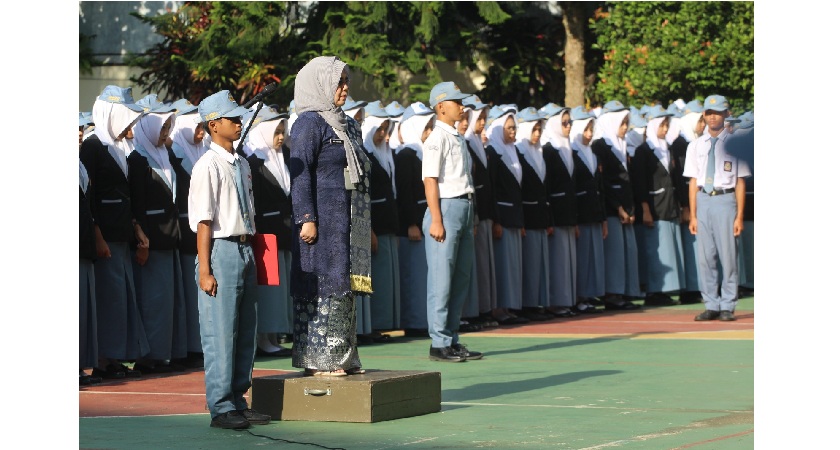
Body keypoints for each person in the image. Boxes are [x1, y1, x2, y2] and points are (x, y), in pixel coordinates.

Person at [188, 89, 272, 429]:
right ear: (213, 124)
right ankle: (221, 406)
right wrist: (205, 268)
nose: (239, 122)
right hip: (221, 249)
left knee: (245, 330)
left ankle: (239, 399)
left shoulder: (242, 163)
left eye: (239, 117)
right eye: (232, 118)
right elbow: (204, 220)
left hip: (245, 247)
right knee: (220, 332)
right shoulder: (207, 165)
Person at [289, 56, 372, 376]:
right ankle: (320, 360)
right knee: (323, 284)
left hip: (349, 218)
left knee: (345, 284)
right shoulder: (309, 124)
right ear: (320, 85)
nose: (345, 88)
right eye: (339, 82)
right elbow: (300, 174)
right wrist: (306, 217)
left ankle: (343, 354)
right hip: (322, 219)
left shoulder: (347, 123)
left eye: (346, 81)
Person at [80, 85, 150, 380]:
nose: (130, 126)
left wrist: (136, 227)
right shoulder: (94, 146)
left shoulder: (120, 148)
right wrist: (97, 235)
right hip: (105, 237)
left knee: (121, 298)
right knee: (108, 300)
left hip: (121, 234)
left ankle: (114, 356)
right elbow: (90, 197)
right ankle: (101, 358)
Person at [128, 95, 189, 373]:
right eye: (161, 128)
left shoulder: (165, 156)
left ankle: (166, 353)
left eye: (167, 129)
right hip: (152, 241)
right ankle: (148, 357)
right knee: (152, 301)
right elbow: (137, 202)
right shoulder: (138, 158)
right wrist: (140, 236)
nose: (165, 134)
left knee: (169, 302)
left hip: (169, 238)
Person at [422, 81, 482, 362]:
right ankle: (439, 342)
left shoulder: (457, 137)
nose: (461, 107)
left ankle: (452, 337)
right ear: (441, 106)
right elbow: (430, 181)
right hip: (445, 209)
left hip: (463, 207)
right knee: (441, 280)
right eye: (457, 102)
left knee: (460, 278)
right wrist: (436, 219)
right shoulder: (437, 138)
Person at [683, 95, 752, 321]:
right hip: (704, 199)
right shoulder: (695, 145)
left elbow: (740, 181)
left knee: (728, 255)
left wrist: (739, 216)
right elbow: (693, 181)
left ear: (726, 114)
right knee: (705, 256)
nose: (713, 117)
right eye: (709, 113)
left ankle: (727, 304)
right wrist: (693, 215)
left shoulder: (734, 144)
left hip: (725, 199)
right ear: (704, 115)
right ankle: (711, 303)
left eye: (718, 113)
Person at [244, 105, 295, 357]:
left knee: (281, 287)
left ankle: (274, 335)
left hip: (284, 232)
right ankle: (264, 338)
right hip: (266, 235)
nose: (281, 137)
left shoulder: (282, 156)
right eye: (276, 132)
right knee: (268, 288)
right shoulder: (254, 162)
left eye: (283, 131)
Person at [631, 105, 686, 307]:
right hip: (654, 207)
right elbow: (640, 183)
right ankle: (655, 290)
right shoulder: (643, 152)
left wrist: (683, 205)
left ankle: (667, 290)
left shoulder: (667, 149)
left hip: (669, 206)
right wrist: (645, 208)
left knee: (670, 247)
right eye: (662, 125)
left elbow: (677, 179)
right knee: (657, 249)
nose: (665, 129)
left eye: (667, 124)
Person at [166, 98, 207, 368]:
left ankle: (200, 346)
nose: (202, 133)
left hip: (201, 233)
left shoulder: (202, 152)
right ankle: (188, 349)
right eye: (198, 128)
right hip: (183, 233)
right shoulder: (174, 154)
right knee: (187, 296)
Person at [591, 100, 642, 310]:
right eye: (622, 123)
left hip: (625, 209)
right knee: (614, 254)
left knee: (627, 252)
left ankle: (624, 292)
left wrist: (630, 208)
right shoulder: (600, 146)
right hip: (612, 209)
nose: (626, 128)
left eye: (627, 123)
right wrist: (619, 208)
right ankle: (612, 295)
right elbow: (606, 184)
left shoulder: (621, 146)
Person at [360, 101, 401, 342]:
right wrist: (371, 230)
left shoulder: (385, 154)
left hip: (388, 224)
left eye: (386, 129)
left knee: (385, 280)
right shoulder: (365, 155)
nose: (383, 134)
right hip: (373, 226)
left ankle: (381, 324)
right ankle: (370, 325)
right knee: (374, 278)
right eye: (380, 129)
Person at [394, 102, 436, 337]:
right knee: (414, 276)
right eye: (425, 127)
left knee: (424, 274)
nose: (429, 132)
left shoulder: (422, 152)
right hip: (413, 226)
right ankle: (414, 322)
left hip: (425, 222)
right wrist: (411, 222)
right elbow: (405, 192)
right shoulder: (406, 155)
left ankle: (425, 320)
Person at [485, 106, 530, 324]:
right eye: (509, 128)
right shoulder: (493, 152)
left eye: (515, 128)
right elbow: (492, 189)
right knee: (503, 264)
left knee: (513, 265)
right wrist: (496, 220)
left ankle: (509, 307)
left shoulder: (512, 151)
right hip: (502, 216)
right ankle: (499, 308)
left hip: (514, 215)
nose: (513, 132)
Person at [462, 95, 498, 328]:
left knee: (483, 267)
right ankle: (469, 313)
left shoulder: (475, 142)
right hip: (470, 213)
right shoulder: (464, 142)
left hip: (481, 213)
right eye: (479, 116)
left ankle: (482, 309)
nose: (481, 121)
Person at [514, 107, 553, 321]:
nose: (537, 134)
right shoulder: (518, 151)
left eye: (540, 129)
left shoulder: (538, 152)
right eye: (534, 129)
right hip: (526, 216)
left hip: (540, 215)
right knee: (528, 263)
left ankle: (537, 302)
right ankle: (527, 304)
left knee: (539, 263)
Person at [540, 104, 578, 318]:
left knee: (567, 260)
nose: (568, 126)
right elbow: (548, 187)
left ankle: (567, 300)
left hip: (568, 212)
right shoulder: (549, 149)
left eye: (569, 122)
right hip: (555, 212)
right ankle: (555, 302)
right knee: (557, 260)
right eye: (564, 123)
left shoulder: (566, 146)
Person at [570, 107, 607, 314]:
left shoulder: (592, 154)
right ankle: (579, 296)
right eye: (585, 129)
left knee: (593, 257)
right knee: (582, 258)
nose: (589, 134)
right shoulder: (573, 153)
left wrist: (603, 218)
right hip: (581, 214)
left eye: (591, 129)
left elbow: (599, 187)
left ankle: (589, 294)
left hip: (594, 213)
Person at [674, 103, 706, 304]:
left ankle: (699, 286)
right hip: (688, 203)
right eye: (700, 120)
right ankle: (690, 288)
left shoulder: (698, 141)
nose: (702, 125)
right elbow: (681, 178)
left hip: (699, 200)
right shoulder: (679, 144)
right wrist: (686, 206)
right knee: (689, 245)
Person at [80, 112, 102, 386]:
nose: (79, 133)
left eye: (80, 129)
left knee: (83, 310)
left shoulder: (79, 165)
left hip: (83, 246)